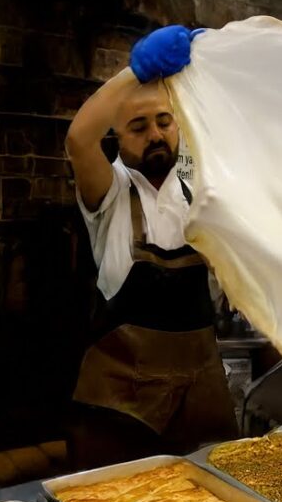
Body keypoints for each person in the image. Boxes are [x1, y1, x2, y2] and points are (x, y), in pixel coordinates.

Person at [64, 25, 239, 469]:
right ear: (118, 138)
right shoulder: (111, 193)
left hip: (200, 401)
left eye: (164, 121)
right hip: (123, 408)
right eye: (138, 127)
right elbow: (79, 139)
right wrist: (135, 71)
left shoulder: (196, 197)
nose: (156, 135)